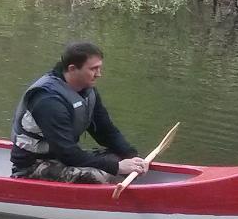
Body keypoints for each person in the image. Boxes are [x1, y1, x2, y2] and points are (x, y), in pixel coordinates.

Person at [10, 41, 149, 183]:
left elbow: (106, 131)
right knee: (98, 176)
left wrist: (131, 155)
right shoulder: (47, 100)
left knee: (117, 157)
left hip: (62, 158)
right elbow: (68, 153)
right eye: (93, 69)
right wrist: (117, 167)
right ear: (72, 69)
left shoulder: (87, 90)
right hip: (33, 165)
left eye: (99, 68)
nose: (99, 74)